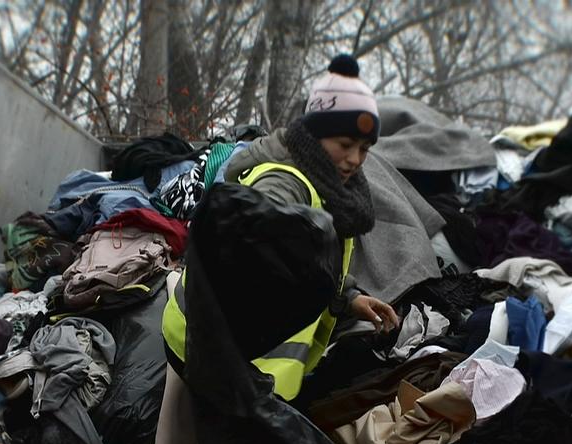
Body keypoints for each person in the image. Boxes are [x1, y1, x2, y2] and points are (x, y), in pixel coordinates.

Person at [161, 53, 399, 404]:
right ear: (315, 136)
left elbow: (305, 265)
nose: (354, 160)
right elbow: (251, 272)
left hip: (238, 358)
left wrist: (349, 299)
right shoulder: (283, 187)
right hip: (220, 356)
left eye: (364, 149)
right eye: (345, 146)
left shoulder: (327, 184)